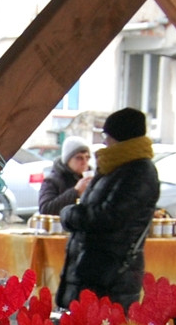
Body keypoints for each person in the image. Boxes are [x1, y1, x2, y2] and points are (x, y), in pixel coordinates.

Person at [55, 108, 158, 310]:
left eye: (107, 136)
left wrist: (69, 214)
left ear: (120, 138)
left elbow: (108, 217)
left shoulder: (138, 171)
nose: (105, 142)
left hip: (112, 277)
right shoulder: (115, 166)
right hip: (95, 270)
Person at [38, 136, 92, 216]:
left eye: (87, 158)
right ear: (67, 160)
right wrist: (75, 192)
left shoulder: (92, 178)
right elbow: (45, 209)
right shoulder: (52, 180)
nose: (84, 162)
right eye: (79, 158)